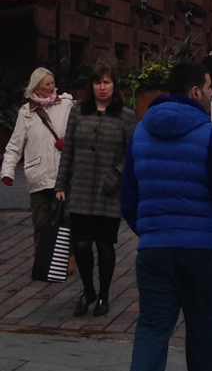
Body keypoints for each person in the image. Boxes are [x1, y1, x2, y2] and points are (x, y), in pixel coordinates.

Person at [120, 61, 212, 371]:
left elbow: (128, 198)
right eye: (210, 87)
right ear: (195, 91)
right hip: (200, 251)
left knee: (151, 331)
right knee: (203, 331)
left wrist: (149, 229)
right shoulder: (209, 134)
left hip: (154, 250)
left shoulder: (141, 132)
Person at [53, 63, 136, 317]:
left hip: (108, 193)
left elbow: (132, 154)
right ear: (92, 86)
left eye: (107, 82)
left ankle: (104, 295)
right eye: (98, 83)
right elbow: (69, 151)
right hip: (79, 189)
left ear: (114, 86)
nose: (102, 87)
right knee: (80, 244)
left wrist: (117, 175)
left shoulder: (126, 116)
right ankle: (88, 290)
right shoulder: (78, 113)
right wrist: (61, 185)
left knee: (104, 245)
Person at [2, 67, 74, 248]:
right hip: (38, 176)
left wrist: (69, 142)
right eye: (46, 84)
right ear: (36, 87)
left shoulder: (66, 104)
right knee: (40, 221)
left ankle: (67, 258)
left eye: (52, 83)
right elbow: (14, 146)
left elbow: (79, 130)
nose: (51, 87)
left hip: (62, 174)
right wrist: (7, 171)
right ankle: (42, 259)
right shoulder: (26, 112)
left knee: (63, 221)